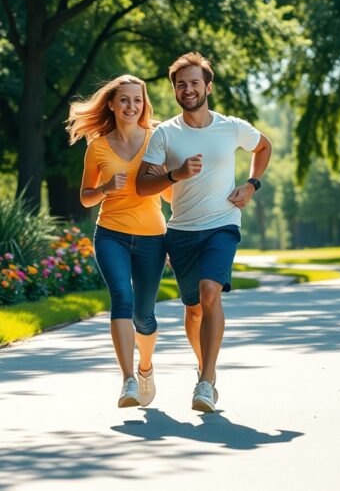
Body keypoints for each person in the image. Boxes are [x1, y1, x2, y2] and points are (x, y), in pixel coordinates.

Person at [136, 51, 272, 413]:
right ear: (175, 91)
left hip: (222, 224)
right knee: (194, 309)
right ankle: (204, 366)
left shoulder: (231, 126)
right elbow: (142, 185)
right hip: (180, 230)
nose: (188, 89)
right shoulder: (164, 133)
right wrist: (174, 175)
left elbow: (264, 146)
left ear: (208, 86)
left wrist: (251, 185)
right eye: (181, 84)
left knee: (211, 293)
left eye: (195, 82)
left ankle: (206, 381)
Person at [66, 74, 173, 408]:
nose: (131, 106)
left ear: (144, 104)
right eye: (124, 99)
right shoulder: (97, 146)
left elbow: (170, 193)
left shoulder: (157, 139)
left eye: (137, 100)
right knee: (121, 299)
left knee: (145, 316)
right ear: (111, 104)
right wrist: (104, 189)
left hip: (152, 236)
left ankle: (145, 367)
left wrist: (167, 178)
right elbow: (85, 198)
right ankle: (127, 380)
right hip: (110, 233)